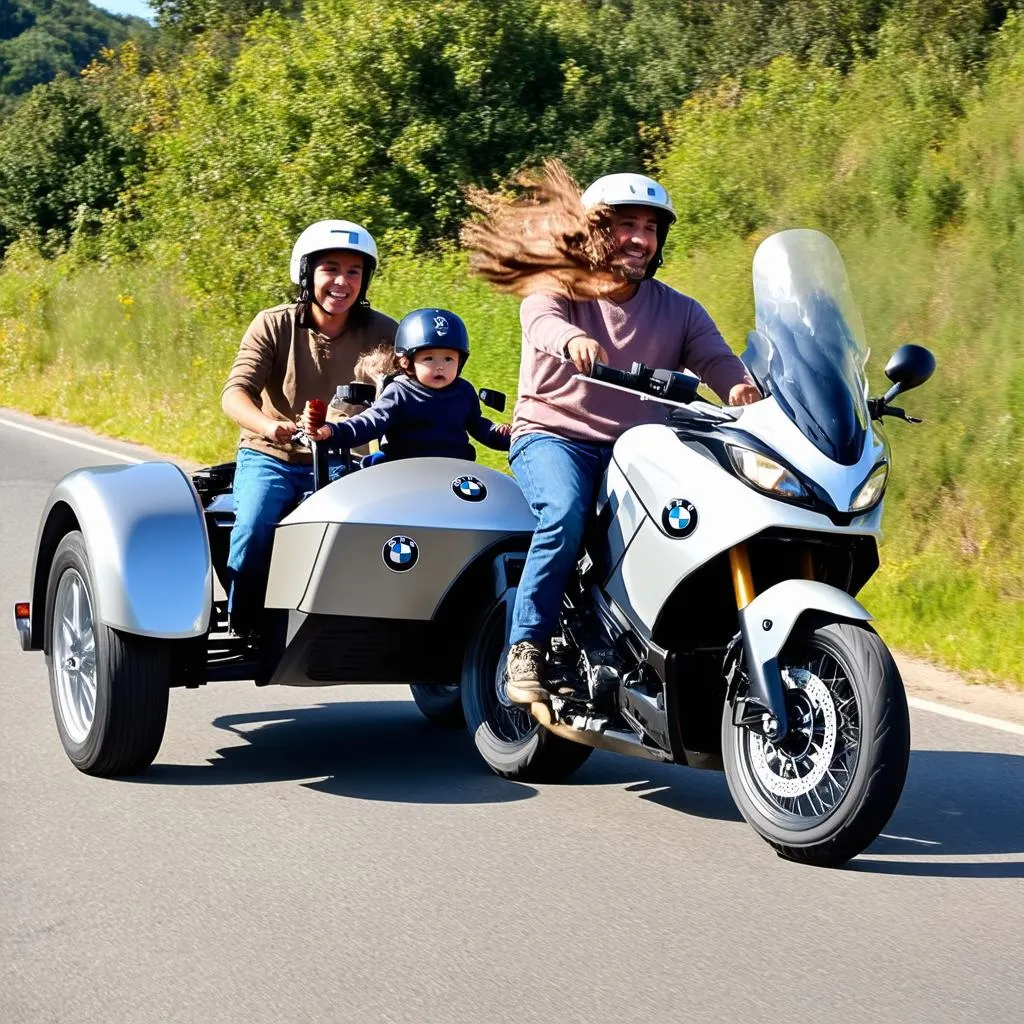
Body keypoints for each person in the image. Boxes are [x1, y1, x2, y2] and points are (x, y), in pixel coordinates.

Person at [465, 166, 761, 704]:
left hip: (640, 448)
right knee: (566, 512)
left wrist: (743, 391)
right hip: (554, 435)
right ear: (597, 230)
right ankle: (524, 647)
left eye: (651, 229)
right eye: (627, 225)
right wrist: (572, 339)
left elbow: (718, 360)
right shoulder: (558, 284)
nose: (640, 239)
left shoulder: (680, 309)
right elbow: (541, 321)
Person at [222, 219, 398, 637]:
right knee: (254, 523)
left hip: (344, 458)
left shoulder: (385, 333)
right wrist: (270, 426)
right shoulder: (272, 324)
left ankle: (363, 626)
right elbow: (234, 394)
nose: (342, 282)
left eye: (354, 271)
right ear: (306, 274)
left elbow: (411, 394)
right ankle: (243, 622)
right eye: (330, 269)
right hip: (272, 455)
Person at [302, 307, 511, 460]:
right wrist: (333, 431)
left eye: (449, 359)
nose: (440, 367)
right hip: (404, 473)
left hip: (454, 473)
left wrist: (504, 434)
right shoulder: (399, 391)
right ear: (407, 362)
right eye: (429, 359)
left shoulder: (464, 392)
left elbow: (478, 425)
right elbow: (370, 423)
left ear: (460, 361)